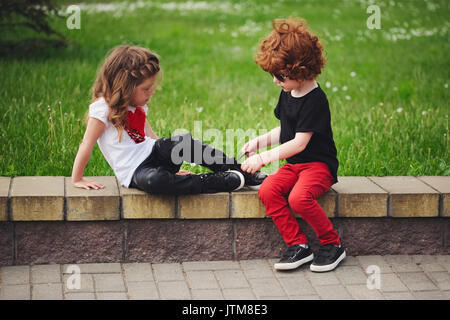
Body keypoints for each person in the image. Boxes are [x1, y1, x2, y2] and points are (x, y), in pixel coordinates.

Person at [72, 45, 266, 195]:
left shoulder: (137, 106)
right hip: (136, 172)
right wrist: (77, 178)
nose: (152, 92)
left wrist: (168, 157)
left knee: (182, 142)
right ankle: (214, 181)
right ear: (125, 87)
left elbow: (149, 137)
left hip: (153, 154)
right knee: (156, 182)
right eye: (146, 89)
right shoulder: (103, 109)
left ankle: (241, 171)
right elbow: (86, 144)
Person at [240, 18, 345, 272]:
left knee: (299, 198)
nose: (276, 81)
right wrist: (259, 141)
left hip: (318, 166)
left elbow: (299, 142)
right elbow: (285, 131)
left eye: (280, 76)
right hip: (294, 165)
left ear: (301, 71)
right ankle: (299, 245)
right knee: (267, 191)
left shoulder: (315, 100)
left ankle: (333, 245)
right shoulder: (288, 91)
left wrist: (262, 158)